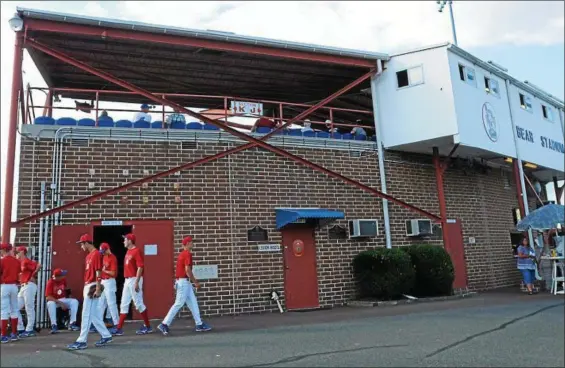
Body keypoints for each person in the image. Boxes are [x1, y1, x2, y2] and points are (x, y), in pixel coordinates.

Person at [158, 236, 211, 335]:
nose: (192, 244)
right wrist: (195, 282)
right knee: (178, 303)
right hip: (183, 282)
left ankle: (199, 324)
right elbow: (187, 270)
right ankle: (164, 324)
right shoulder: (187, 254)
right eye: (191, 242)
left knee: (193, 303)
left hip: (185, 282)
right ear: (187, 244)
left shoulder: (183, 254)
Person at [67, 234, 113, 350]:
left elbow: (98, 271)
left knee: (86, 314)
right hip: (87, 284)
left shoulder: (96, 254)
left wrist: (98, 287)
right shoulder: (88, 256)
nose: (81, 246)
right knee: (94, 315)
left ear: (87, 243)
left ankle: (82, 341)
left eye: (82, 244)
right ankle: (106, 335)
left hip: (93, 285)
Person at [111, 233, 152, 336]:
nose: (123, 241)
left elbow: (140, 267)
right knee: (124, 304)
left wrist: (137, 282)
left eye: (125, 240)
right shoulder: (128, 251)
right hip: (128, 280)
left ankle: (148, 326)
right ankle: (119, 328)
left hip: (134, 279)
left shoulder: (136, 251)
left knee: (138, 304)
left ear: (130, 240)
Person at [90, 243, 119, 332]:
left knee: (111, 304)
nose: (102, 253)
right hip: (103, 281)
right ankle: (97, 324)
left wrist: (104, 270)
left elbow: (113, 273)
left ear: (107, 249)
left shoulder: (112, 258)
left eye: (103, 251)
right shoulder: (103, 257)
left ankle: (117, 324)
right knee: (100, 304)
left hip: (110, 281)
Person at [45, 268, 80, 334]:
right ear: (58, 277)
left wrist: (68, 298)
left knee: (74, 301)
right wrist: (60, 303)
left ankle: (72, 324)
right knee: (50, 303)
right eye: (62, 275)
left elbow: (65, 290)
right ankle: (54, 325)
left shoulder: (63, 280)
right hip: (55, 301)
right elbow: (48, 297)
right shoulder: (50, 282)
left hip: (63, 299)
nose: (64, 276)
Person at [16, 246, 40, 337]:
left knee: (29, 307)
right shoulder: (21, 262)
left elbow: (38, 265)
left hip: (29, 285)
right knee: (14, 308)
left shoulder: (26, 260)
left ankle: (29, 329)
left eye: (18, 252)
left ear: (22, 252)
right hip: (23, 286)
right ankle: (21, 328)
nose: (16, 254)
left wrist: (33, 275)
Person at [1, 243, 20, 343]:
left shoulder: (2, 260)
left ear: (4, 250)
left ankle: (3, 335)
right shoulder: (16, 261)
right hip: (14, 286)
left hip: (4, 285)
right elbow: (19, 272)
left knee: (4, 310)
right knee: (14, 309)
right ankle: (14, 334)